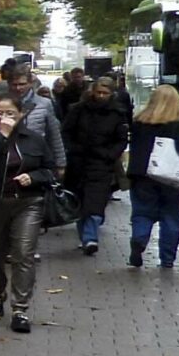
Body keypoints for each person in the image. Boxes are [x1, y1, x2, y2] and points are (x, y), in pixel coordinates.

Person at [0, 93, 57, 332]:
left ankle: (21, 308)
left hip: (27, 203)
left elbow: (50, 170)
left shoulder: (35, 140)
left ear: (21, 115)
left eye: (10, 114)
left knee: (23, 253)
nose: (4, 118)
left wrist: (34, 177)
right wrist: (2, 136)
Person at [128, 83, 179, 269]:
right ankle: (167, 258)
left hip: (142, 173)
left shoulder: (140, 120)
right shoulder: (177, 122)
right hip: (169, 175)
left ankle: (139, 239)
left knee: (142, 212)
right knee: (171, 216)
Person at [63, 77, 129, 255]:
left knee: (96, 202)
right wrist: (73, 150)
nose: (101, 96)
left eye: (105, 93)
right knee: (80, 200)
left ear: (111, 94)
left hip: (101, 164)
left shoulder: (117, 113)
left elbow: (121, 139)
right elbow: (66, 132)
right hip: (78, 162)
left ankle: (90, 237)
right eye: (98, 92)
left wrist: (109, 155)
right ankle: (85, 235)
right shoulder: (78, 110)